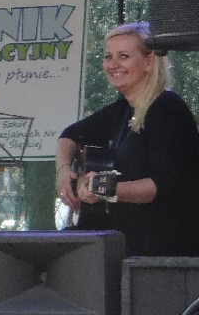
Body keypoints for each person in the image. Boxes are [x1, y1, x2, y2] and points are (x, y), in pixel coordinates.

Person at [56, 21, 199, 257]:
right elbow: (70, 136)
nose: (113, 65)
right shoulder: (124, 109)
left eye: (123, 56)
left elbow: (161, 186)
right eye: (108, 56)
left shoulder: (167, 110)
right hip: (130, 244)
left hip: (165, 251)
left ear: (149, 61)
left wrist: (103, 188)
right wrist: (63, 170)